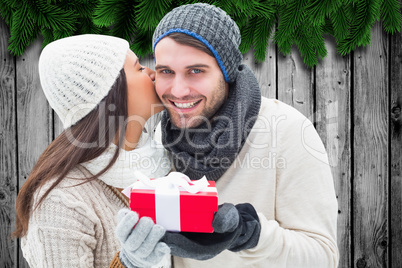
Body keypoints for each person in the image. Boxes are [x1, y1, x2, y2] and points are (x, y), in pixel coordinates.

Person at [152, 3, 339, 268]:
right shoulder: (163, 135)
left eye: (196, 71)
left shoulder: (286, 131)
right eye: (166, 72)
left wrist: (251, 235)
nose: (179, 91)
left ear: (226, 72)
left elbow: (323, 257)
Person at [13, 34, 173, 267]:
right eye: (139, 69)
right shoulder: (61, 201)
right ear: (111, 96)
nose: (152, 74)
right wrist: (129, 263)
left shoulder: (164, 162)